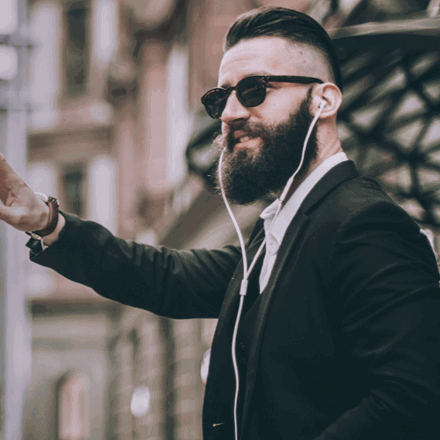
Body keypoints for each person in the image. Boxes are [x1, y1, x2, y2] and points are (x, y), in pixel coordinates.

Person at [0, 6, 440, 440]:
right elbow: (165, 277)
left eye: (254, 90)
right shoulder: (278, 233)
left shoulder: (366, 223)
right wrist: (47, 221)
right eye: (220, 98)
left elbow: (410, 398)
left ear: (322, 100)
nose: (229, 113)